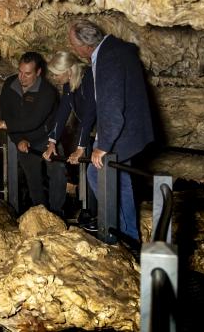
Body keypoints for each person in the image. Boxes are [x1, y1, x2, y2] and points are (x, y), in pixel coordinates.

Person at [68, 19, 155, 243]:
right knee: (120, 180)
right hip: (131, 130)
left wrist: (103, 146)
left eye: (73, 44)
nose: (72, 49)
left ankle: (120, 235)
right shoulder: (115, 50)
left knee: (100, 175)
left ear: (85, 46)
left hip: (123, 133)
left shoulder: (108, 58)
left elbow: (111, 106)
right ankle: (127, 234)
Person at [0, 52, 61, 213]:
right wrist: (18, 139)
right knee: (33, 180)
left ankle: (57, 213)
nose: (22, 77)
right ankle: (41, 215)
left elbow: (33, 121)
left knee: (57, 175)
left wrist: (3, 124)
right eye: (20, 71)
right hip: (24, 140)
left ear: (38, 72)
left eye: (27, 74)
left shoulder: (47, 92)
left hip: (48, 139)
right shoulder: (10, 85)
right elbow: (7, 114)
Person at [42, 51, 97, 225]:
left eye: (57, 74)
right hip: (90, 132)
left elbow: (90, 113)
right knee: (90, 173)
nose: (54, 77)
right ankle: (91, 212)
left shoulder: (89, 78)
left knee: (96, 173)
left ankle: (100, 215)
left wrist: (80, 147)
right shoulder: (68, 85)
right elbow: (62, 113)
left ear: (69, 71)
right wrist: (52, 143)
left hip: (103, 130)